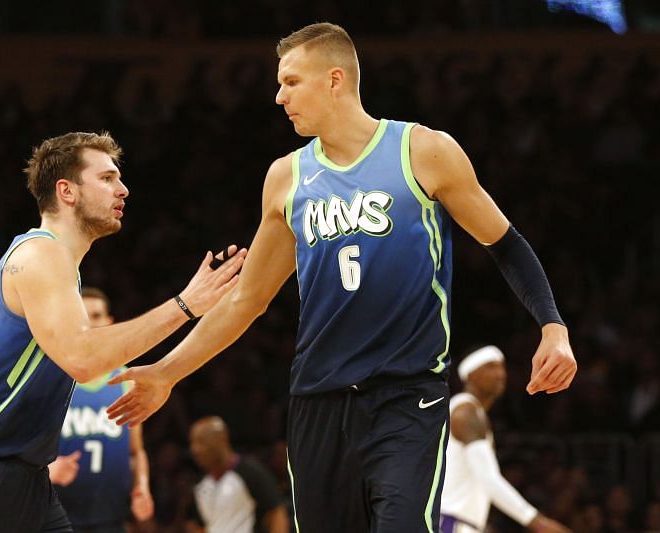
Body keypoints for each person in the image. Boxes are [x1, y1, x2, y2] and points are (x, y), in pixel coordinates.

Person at [106, 23, 577, 532]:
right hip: (319, 400)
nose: (279, 95)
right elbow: (247, 300)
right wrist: (167, 371)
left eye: (291, 81)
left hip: (406, 394)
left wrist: (553, 327)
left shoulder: (421, 150)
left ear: (335, 79)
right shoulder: (286, 177)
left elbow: (504, 242)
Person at [0, 131, 246, 532]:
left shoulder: (48, 264)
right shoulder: (41, 256)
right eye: (107, 178)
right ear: (67, 191)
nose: (123, 189)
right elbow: (83, 359)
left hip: (24, 479)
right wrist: (185, 306)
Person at [48, 287, 154, 532]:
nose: (90, 323)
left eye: (96, 316)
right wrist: (47, 471)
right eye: (82, 316)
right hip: (56, 519)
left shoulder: (128, 380)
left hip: (111, 519)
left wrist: (142, 487)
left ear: (110, 323)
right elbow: (21, 452)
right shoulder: (51, 380)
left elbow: (136, 452)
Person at [440, 346, 571, 533]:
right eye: (490, 367)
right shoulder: (466, 412)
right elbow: (489, 478)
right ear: (471, 375)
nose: (500, 374)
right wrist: (538, 523)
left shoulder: (471, 411)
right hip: (450, 524)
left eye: (502, 367)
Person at [186, 417, 288, 533]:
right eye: (192, 443)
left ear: (221, 439)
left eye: (201, 441)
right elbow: (197, 524)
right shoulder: (201, 485)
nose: (195, 449)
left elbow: (277, 512)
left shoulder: (250, 472)